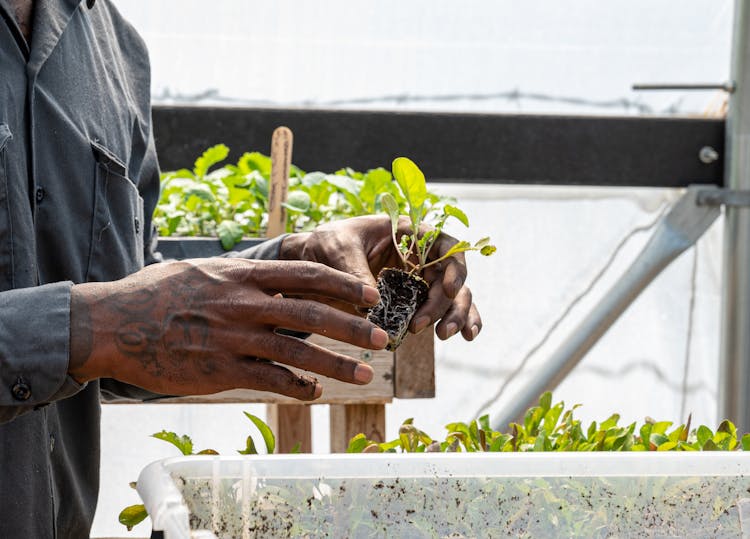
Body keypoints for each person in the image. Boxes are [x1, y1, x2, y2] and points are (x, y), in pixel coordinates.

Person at [0, 1, 482, 537]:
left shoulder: (113, 48)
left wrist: (302, 269)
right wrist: (88, 326)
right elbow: (102, 321)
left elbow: (127, 320)